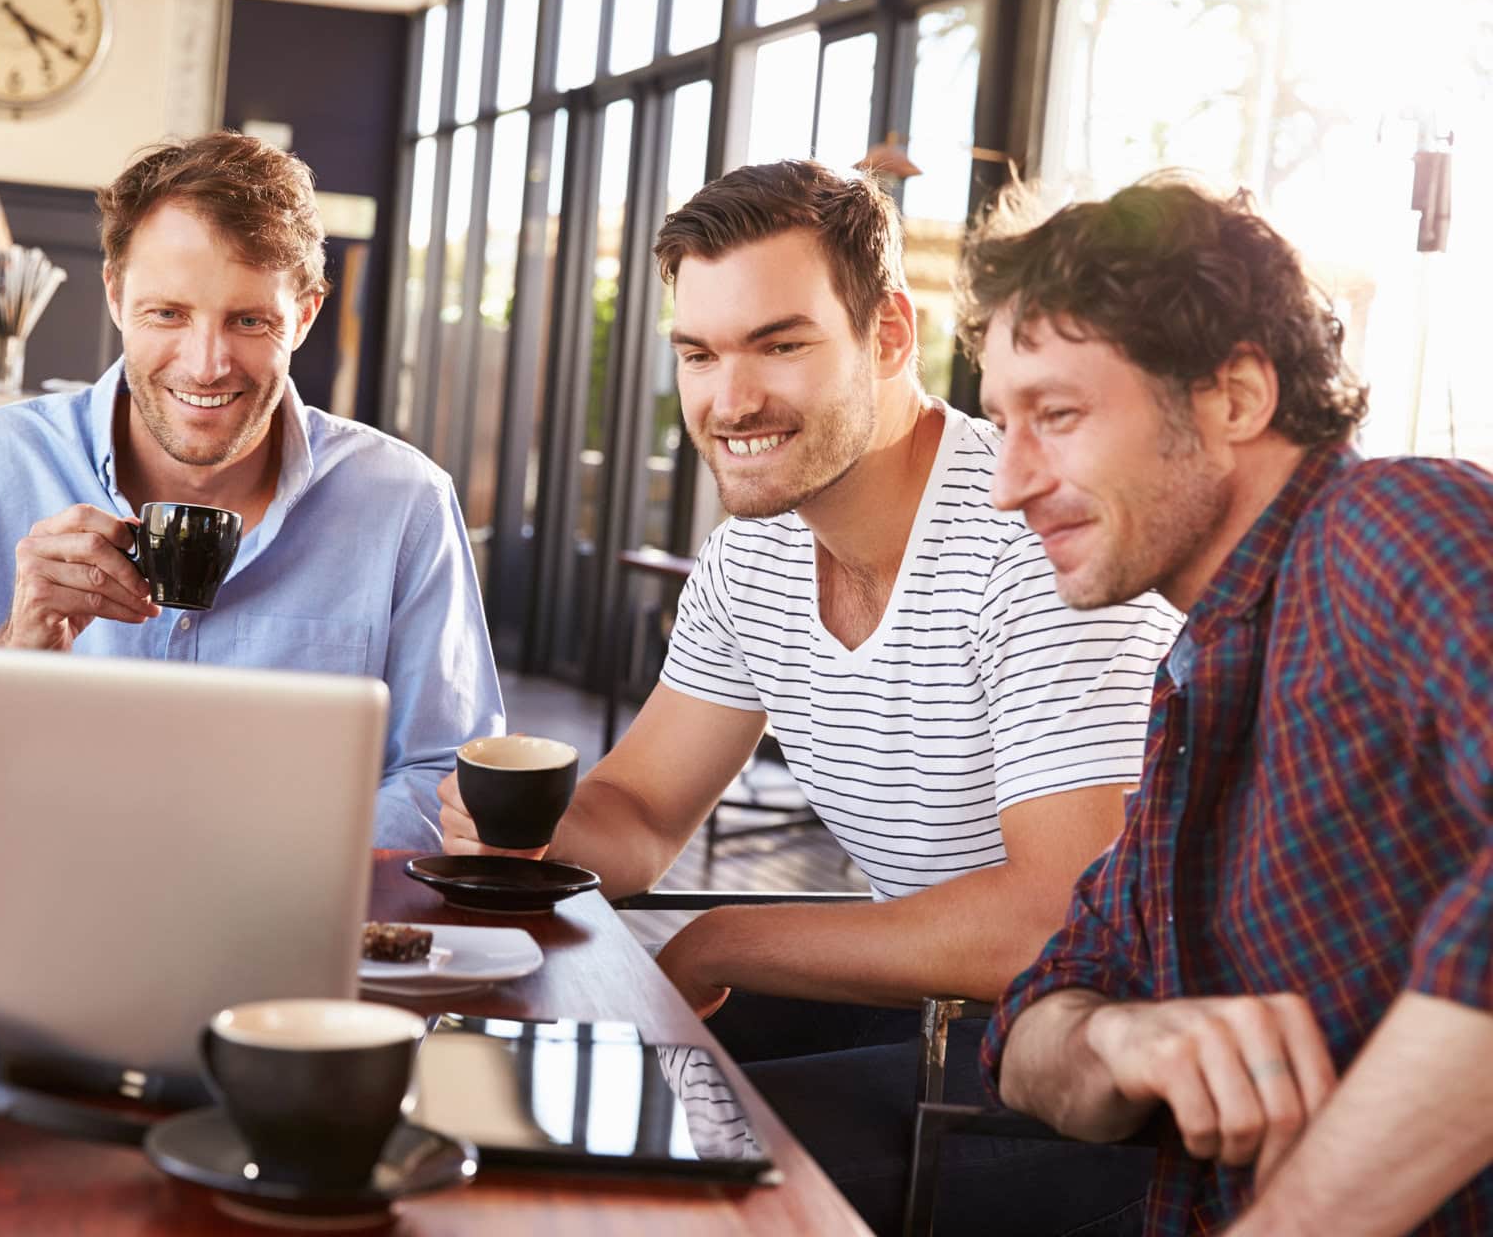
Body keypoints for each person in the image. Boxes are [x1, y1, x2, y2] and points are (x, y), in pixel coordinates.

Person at [440, 161, 1181, 1234]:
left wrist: (724, 940)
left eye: (780, 345)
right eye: (700, 354)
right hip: (926, 1006)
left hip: (1094, 1060)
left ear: (889, 336)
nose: (730, 400)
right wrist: (518, 826)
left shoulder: (1035, 542)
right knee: (499, 1090)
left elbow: (1050, 920)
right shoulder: (753, 557)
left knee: (628, 1165)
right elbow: (639, 815)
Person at [967, 175, 1493, 1235]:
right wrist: (1116, 1038)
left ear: (1237, 398)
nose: (1007, 484)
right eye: (999, 424)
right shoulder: (1200, 680)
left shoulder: (1391, 524)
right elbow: (1027, 1030)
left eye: (1057, 416)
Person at [0, 133, 503, 850]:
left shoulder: (404, 500)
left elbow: (444, 774)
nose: (206, 366)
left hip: (291, 907)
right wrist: (17, 649)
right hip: (28, 891)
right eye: (168, 314)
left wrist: (277, 872)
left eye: (249, 320)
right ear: (116, 296)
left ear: (303, 316)